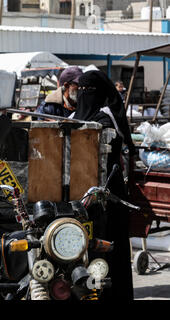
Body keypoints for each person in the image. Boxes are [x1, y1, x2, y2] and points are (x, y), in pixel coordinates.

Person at [73, 70, 134, 301]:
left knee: (106, 250)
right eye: (80, 90)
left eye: (87, 91)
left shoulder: (105, 120)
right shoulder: (83, 115)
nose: (82, 94)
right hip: (84, 196)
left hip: (108, 195)